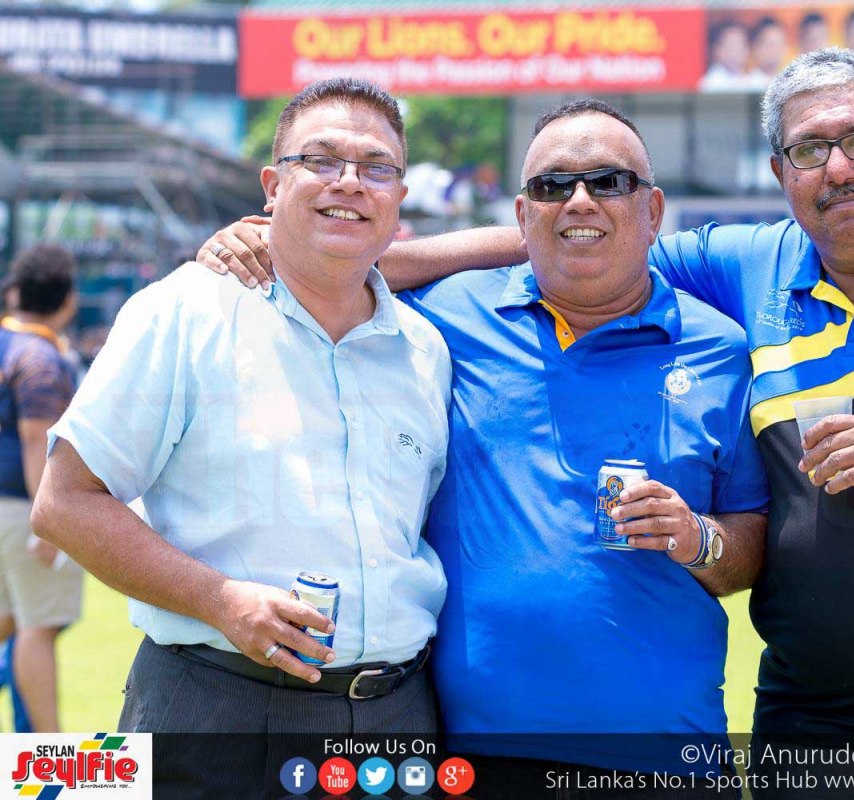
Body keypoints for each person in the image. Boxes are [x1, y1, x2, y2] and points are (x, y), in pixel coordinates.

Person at [208, 49, 854, 756]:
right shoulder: (750, 267)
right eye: (808, 150)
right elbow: (589, 241)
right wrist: (333, 251)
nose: (838, 167)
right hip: (810, 714)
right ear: (781, 176)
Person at [201, 99, 770, 797]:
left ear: (653, 210)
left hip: (664, 755)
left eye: (608, 182)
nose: (580, 200)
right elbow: (335, 269)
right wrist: (270, 241)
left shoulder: (720, 350)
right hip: (474, 756)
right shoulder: (447, 315)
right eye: (552, 187)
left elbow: (751, 540)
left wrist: (696, 538)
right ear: (522, 215)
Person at [31, 79, 450, 796]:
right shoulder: (184, 313)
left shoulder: (425, 350)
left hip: (396, 718)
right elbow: (65, 503)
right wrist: (221, 600)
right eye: (321, 159)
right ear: (272, 186)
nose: (350, 182)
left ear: (399, 198)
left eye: (376, 167)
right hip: (216, 708)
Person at [0, 243, 80, 732]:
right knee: (38, 626)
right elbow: (36, 439)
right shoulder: (40, 357)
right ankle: (49, 755)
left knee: (11, 619)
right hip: (19, 504)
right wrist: (46, 520)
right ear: (68, 301)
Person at [700, 21, 754, 92]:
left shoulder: (752, 80)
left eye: (740, 45)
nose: (735, 51)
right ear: (717, 49)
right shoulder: (710, 83)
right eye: (730, 45)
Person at [747, 16, 789, 86]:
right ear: (756, 48)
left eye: (779, 44)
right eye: (770, 44)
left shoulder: (789, 82)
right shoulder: (747, 83)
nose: (776, 50)